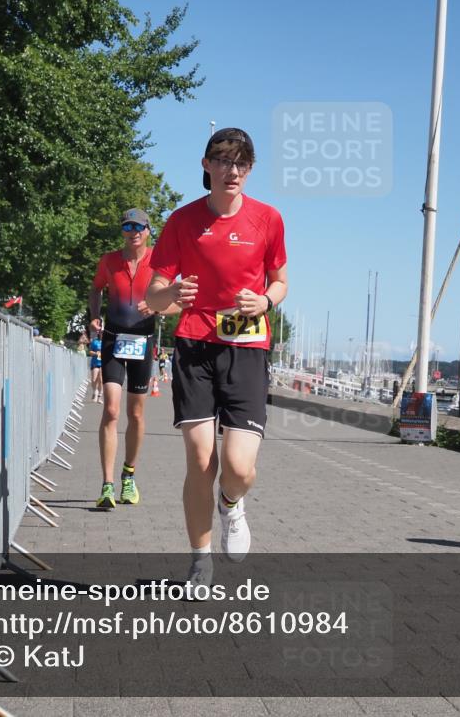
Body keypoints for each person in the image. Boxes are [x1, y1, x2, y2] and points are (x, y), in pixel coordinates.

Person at [147, 127, 287, 588]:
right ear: (207, 165)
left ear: (250, 170)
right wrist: (172, 292)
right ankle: (200, 560)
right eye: (224, 161)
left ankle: (232, 504)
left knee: (239, 467)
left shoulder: (268, 219)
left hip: (246, 346)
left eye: (242, 163)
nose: (233, 171)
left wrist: (265, 302)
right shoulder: (182, 221)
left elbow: (281, 282)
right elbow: (156, 295)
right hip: (195, 345)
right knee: (200, 458)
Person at [89, 208, 176, 509]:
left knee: (136, 415)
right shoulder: (109, 261)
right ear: (122, 231)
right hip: (113, 339)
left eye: (139, 227)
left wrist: (157, 307)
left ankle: (129, 475)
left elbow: (175, 297)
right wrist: (94, 317)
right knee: (111, 411)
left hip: (143, 341)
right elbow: (96, 289)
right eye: (128, 226)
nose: (133, 231)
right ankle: (106, 485)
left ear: (148, 230)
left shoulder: (159, 261)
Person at [88, 333, 103, 403]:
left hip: (103, 363)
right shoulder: (95, 342)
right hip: (95, 363)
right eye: (101, 333)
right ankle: (95, 391)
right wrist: (95, 353)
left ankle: (99, 396)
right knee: (94, 379)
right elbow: (90, 352)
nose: (102, 335)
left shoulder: (106, 342)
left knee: (101, 379)